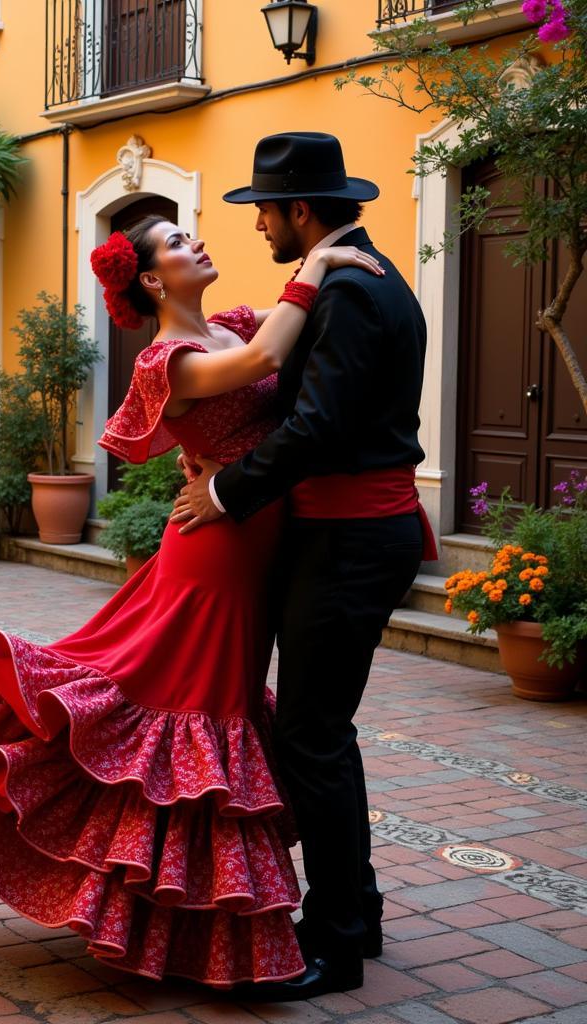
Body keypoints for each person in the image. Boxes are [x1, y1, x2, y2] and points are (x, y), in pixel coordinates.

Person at [0, 214, 382, 989]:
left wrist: (327, 278)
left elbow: (280, 324)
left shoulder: (225, 324)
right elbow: (273, 352)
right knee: (197, 702)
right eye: (176, 243)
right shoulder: (171, 360)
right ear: (155, 282)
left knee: (196, 705)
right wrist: (324, 256)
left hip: (246, 546)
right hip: (217, 555)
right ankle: (181, 921)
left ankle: (188, 915)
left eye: (191, 232)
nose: (196, 242)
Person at [173, 132, 437, 1001]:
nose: (259, 229)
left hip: (352, 538)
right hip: (347, 533)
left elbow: (318, 427)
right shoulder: (367, 275)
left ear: (300, 210)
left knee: (312, 738)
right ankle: (355, 908)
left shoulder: (352, 291)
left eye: (266, 212)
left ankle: (337, 943)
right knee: (321, 733)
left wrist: (227, 492)